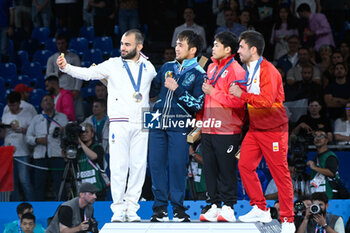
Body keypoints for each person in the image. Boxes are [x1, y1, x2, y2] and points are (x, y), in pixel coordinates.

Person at [56, 29, 157, 222]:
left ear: (139, 46)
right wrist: (66, 67)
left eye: (127, 44)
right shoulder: (112, 64)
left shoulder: (149, 67)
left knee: (138, 167)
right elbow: (87, 74)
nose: (123, 47)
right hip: (119, 122)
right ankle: (118, 210)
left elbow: (155, 87)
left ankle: (132, 209)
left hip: (141, 123)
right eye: (121, 43)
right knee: (119, 167)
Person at [229, 30, 294, 232]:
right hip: (256, 128)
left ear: (253, 49)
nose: (238, 51)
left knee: (280, 173)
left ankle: (288, 220)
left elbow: (266, 101)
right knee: (245, 166)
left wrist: (242, 94)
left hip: (274, 130)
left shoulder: (269, 71)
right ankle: (260, 207)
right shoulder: (247, 69)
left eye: (241, 47)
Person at [148, 30, 205, 222]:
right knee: (156, 165)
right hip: (156, 120)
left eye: (181, 44)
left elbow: (197, 104)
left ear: (193, 49)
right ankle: (160, 208)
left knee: (177, 166)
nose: (176, 47)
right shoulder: (166, 66)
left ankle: (179, 208)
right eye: (176, 44)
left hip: (180, 122)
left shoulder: (199, 73)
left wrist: (177, 89)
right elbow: (152, 90)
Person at [199, 31, 245, 222]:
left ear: (228, 49)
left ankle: (229, 207)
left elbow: (239, 102)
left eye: (217, 45)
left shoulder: (237, 70)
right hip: (209, 127)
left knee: (226, 169)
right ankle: (214, 205)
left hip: (228, 129)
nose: (213, 48)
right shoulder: (210, 68)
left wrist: (213, 91)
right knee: (209, 169)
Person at [26, 95, 68, 201]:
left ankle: (61, 205)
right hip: (40, 155)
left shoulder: (62, 117)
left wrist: (64, 131)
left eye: (50, 100)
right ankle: (39, 206)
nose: (47, 102)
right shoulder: (36, 119)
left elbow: (69, 136)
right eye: (45, 100)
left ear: (54, 104)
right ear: (41, 105)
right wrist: (37, 140)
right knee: (39, 184)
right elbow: (28, 137)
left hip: (57, 154)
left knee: (59, 183)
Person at [1, 92, 34, 201]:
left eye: (14, 105)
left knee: (24, 180)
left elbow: (31, 132)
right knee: (12, 182)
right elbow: (2, 135)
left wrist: (20, 129)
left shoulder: (27, 114)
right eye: (10, 105)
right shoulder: (6, 114)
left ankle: (31, 203)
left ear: (19, 103)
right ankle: (15, 205)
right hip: (8, 152)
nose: (11, 108)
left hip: (22, 151)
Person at [46, 34, 84, 122]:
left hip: (73, 90)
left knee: (78, 114)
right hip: (59, 92)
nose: (60, 46)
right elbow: (48, 77)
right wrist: (59, 72)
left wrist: (77, 89)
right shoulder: (52, 59)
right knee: (61, 114)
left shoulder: (74, 57)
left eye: (62, 43)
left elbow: (79, 74)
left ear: (66, 44)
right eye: (58, 43)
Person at [307, 130, 342, 199]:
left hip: (328, 193)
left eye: (321, 136)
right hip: (317, 192)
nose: (318, 138)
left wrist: (314, 167)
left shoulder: (330, 156)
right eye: (316, 136)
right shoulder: (316, 157)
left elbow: (332, 173)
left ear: (326, 140)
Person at [77, 122, 106, 200]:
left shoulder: (98, 147)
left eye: (86, 132)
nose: (84, 134)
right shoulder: (78, 151)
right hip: (82, 192)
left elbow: (94, 157)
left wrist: (81, 143)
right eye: (82, 132)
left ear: (92, 134)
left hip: (97, 191)